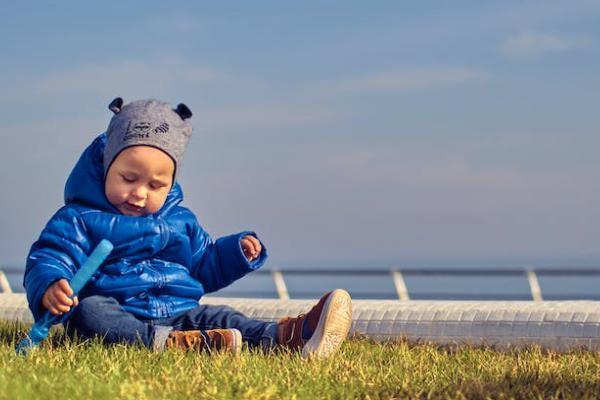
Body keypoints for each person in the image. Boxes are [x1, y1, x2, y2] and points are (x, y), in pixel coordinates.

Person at [23, 98, 352, 358]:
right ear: (105, 167)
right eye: (128, 178)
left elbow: (203, 264)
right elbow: (50, 257)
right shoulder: (79, 218)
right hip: (119, 311)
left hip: (180, 313)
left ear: (171, 184)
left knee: (222, 316)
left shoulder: (180, 221)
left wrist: (234, 252)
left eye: (155, 185)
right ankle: (169, 344)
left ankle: (289, 336)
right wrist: (52, 284)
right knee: (90, 314)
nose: (139, 193)